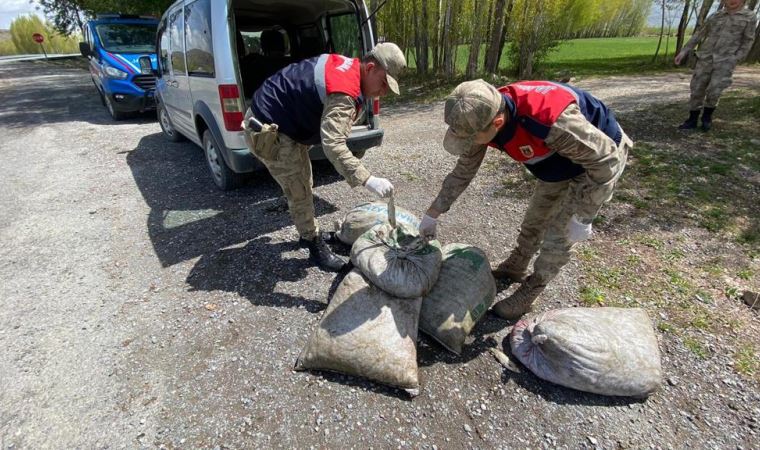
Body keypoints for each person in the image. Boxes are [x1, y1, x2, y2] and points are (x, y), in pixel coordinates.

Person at [418, 79, 633, 320]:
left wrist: (584, 216)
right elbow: (464, 171)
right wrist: (433, 212)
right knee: (535, 218)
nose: (469, 145)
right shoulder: (482, 111)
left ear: (497, 123)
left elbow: (606, 162)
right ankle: (517, 264)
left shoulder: (549, 121)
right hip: (557, 163)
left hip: (596, 164)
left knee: (559, 236)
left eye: (471, 139)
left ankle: (533, 288)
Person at [243, 43, 406, 272]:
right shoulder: (345, 91)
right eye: (383, 83)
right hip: (269, 131)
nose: (384, 92)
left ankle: (306, 230)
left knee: (304, 181)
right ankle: (312, 242)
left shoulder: (350, 68)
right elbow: (333, 145)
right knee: (299, 188)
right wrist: (368, 179)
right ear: (369, 68)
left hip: (284, 121)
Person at [674, 0, 757, 131]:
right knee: (697, 88)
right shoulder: (715, 16)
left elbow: (748, 40)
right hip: (705, 58)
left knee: (715, 90)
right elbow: (699, 34)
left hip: (726, 60)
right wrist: (684, 51)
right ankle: (692, 120)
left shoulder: (749, 17)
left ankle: (706, 118)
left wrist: (736, 58)